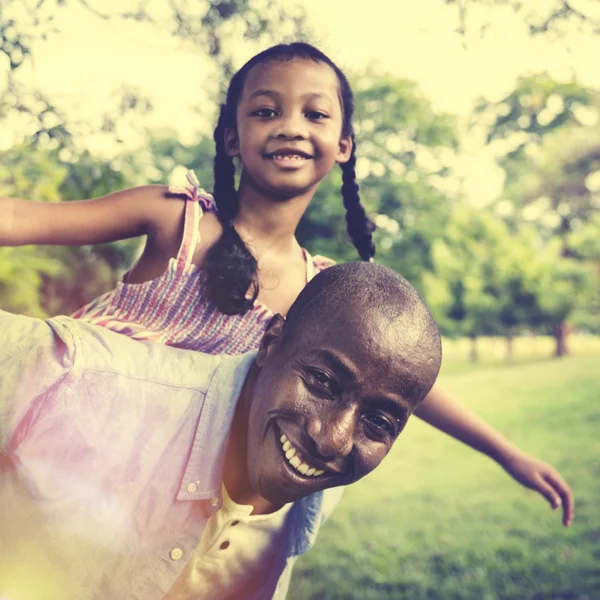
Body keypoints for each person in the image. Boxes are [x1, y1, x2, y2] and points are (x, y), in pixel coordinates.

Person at [0, 42, 573, 524]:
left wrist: (508, 454)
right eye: (266, 111)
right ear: (232, 138)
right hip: (47, 452)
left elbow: (407, 387)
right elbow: (22, 219)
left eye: (315, 115)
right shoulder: (179, 220)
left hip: (145, 510)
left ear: (344, 145)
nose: (290, 127)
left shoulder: (319, 293)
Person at [0, 262, 441, 600]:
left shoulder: (319, 493)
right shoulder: (82, 377)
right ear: (271, 343)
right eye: (322, 383)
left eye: (378, 423)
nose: (333, 439)